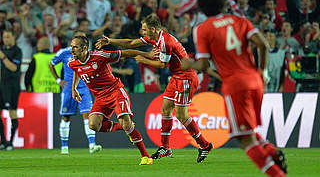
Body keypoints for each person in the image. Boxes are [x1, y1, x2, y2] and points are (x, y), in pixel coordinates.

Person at [181, 0, 287, 176]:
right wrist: (262, 71)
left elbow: (204, 65)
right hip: (256, 81)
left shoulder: (203, 29)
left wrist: (189, 64)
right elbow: (263, 44)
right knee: (247, 131)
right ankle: (271, 151)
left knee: (245, 140)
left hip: (236, 85)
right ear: (224, 4)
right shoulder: (241, 21)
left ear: (201, 8)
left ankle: (278, 174)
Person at [96, 14, 213, 163]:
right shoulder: (155, 37)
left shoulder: (165, 41)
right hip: (177, 76)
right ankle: (165, 147)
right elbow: (132, 42)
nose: (142, 32)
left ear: (152, 29)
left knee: (181, 115)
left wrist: (143, 59)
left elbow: (162, 65)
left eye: (144, 29)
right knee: (165, 109)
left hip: (186, 78)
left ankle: (204, 145)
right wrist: (110, 40)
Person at [69, 35, 154, 165]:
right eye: (71, 46)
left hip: (115, 92)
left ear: (84, 48)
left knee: (126, 123)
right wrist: (74, 88)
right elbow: (77, 70)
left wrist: (146, 54)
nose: (72, 50)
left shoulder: (100, 56)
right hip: (100, 97)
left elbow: (125, 53)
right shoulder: (73, 62)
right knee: (93, 125)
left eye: (75, 47)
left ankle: (146, 156)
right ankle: (123, 127)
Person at [49, 31, 103, 154]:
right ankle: (64, 147)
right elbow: (51, 64)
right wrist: (58, 80)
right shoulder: (65, 52)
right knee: (66, 117)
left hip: (84, 88)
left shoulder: (89, 54)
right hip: (69, 89)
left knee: (88, 116)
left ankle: (92, 145)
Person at [0, 29, 22, 151]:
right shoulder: (3, 50)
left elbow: (13, 68)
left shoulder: (17, 51)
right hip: (2, 85)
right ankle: (3, 141)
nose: (5, 39)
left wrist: (3, 58)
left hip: (12, 86)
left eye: (8, 37)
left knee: (11, 111)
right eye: (4, 37)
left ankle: (11, 142)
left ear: (13, 38)